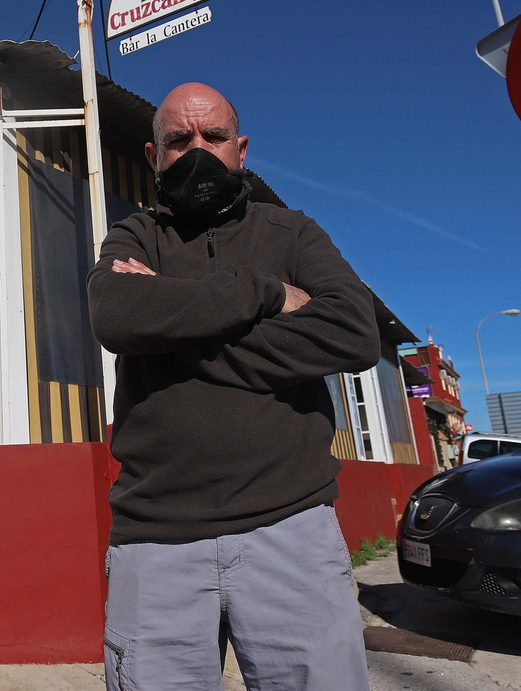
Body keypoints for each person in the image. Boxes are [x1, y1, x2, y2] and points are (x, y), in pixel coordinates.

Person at [87, 82, 380, 690]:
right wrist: (266, 293)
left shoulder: (292, 233)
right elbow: (117, 314)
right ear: (153, 156)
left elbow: (353, 334)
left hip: (291, 531)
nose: (198, 151)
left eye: (213, 137)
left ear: (241, 149)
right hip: (156, 539)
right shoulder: (135, 237)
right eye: (179, 140)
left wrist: (171, 338)